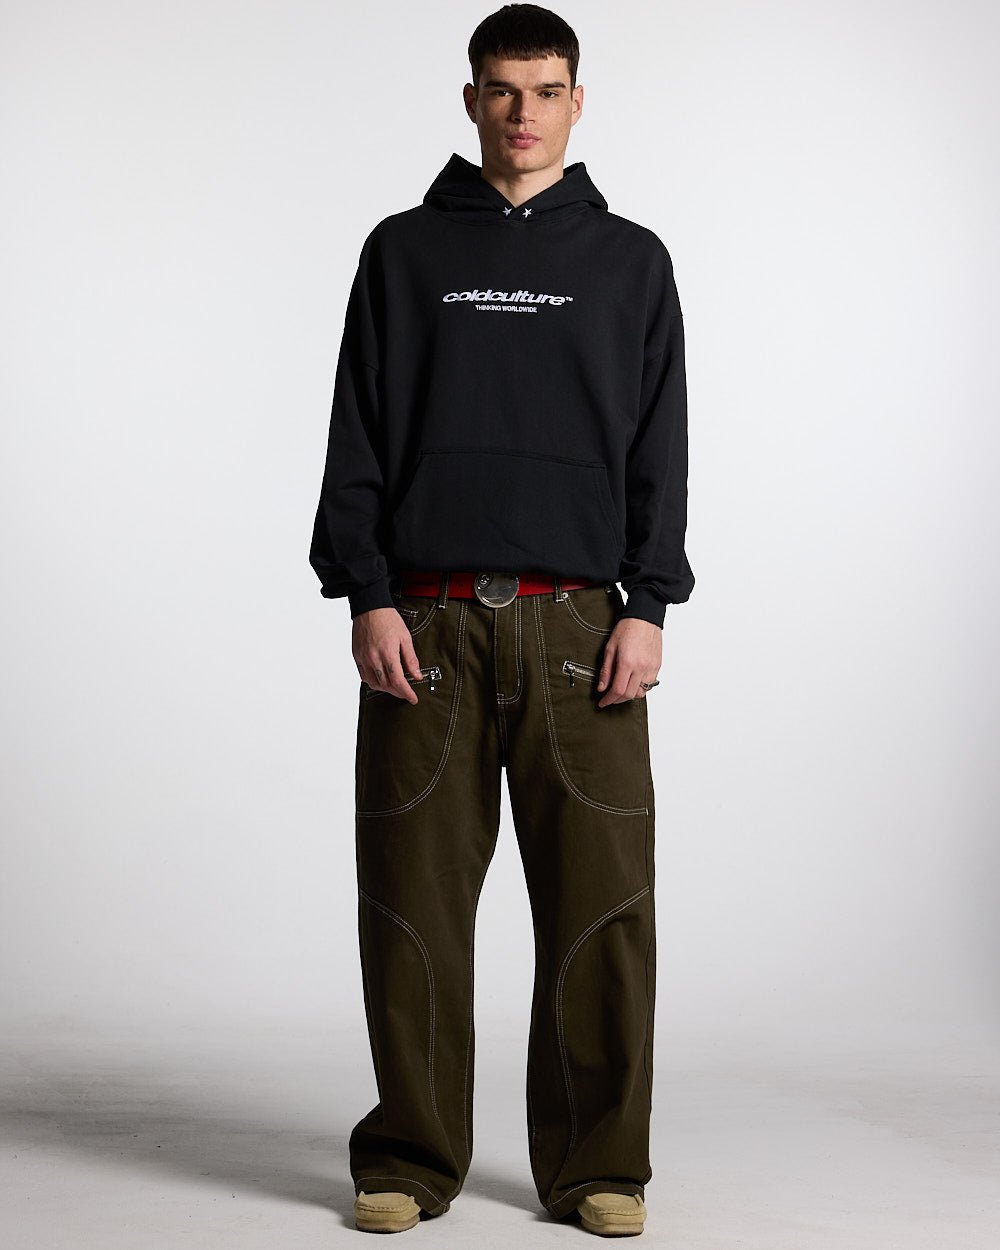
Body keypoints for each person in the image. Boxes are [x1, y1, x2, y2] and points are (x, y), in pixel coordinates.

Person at [309, 3, 694, 1236]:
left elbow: (660, 445)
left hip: (581, 630)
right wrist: (367, 590)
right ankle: (411, 1155)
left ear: (578, 101)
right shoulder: (403, 251)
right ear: (470, 99)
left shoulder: (631, 260)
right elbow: (358, 430)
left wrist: (649, 602)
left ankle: (597, 1165)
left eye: (545, 88)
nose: (522, 112)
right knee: (410, 904)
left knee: (602, 905)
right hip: (424, 629)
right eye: (501, 88)